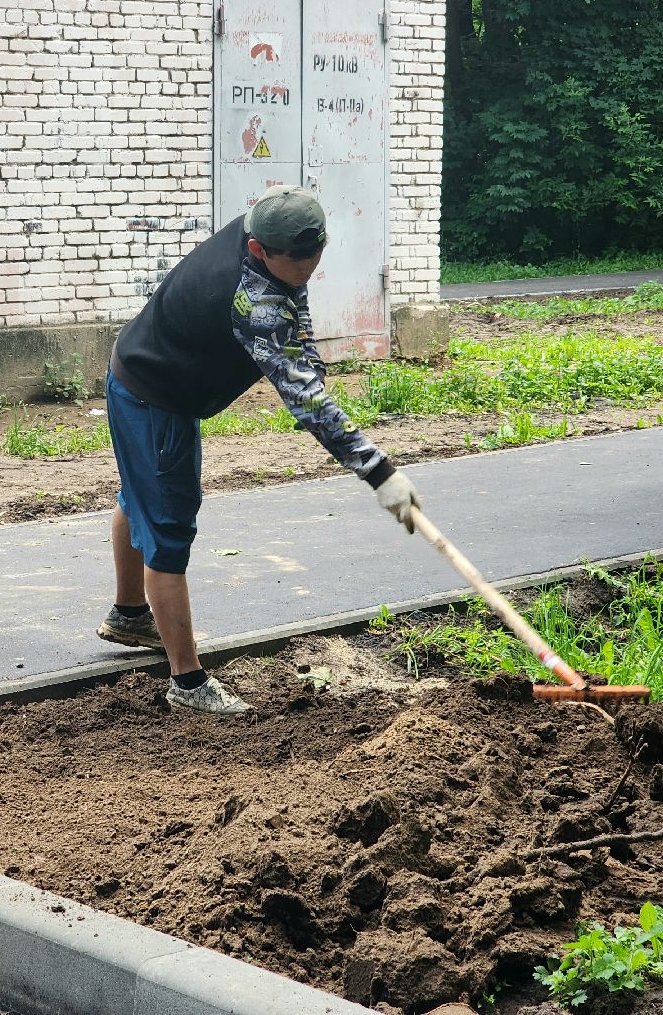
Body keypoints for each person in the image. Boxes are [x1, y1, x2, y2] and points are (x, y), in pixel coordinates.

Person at [97, 185, 422, 716]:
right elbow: (304, 398)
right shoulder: (254, 304)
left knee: (142, 496)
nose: (307, 271)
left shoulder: (272, 221)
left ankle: (130, 616)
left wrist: (309, 363)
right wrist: (380, 473)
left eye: (314, 260)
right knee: (169, 526)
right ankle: (187, 684)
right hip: (153, 394)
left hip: (149, 374)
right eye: (296, 264)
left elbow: (298, 314)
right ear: (258, 251)